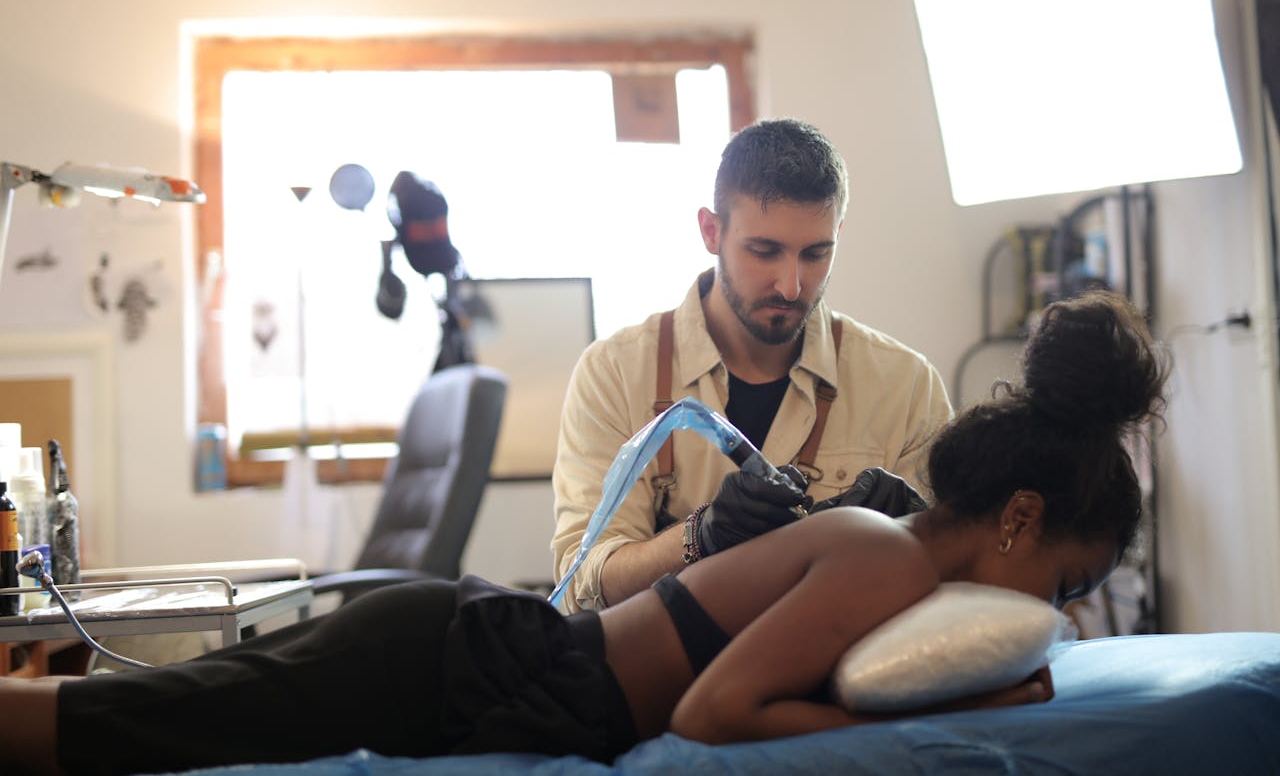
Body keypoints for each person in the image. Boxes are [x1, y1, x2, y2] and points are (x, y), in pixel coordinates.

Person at [0, 289, 1167, 776]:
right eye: (1061, 581)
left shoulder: (893, 572)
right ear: (1019, 517)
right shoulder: (876, 551)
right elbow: (716, 712)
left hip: (468, 652)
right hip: (452, 664)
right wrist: (971, 711)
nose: (1047, 616)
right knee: (118, 726)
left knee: (130, 721)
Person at [552, 117, 953, 612]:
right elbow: (580, 587)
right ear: (710, 230)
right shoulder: (614, 374)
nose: (791, 285)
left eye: (815, 253)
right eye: (764, 251)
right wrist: (699, 535)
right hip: (661, 682)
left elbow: (953, 585)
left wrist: (913, 535)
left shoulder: (906, 386)